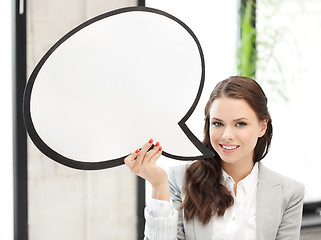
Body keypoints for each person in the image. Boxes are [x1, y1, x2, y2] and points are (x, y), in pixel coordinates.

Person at [124, 76, 304, 240]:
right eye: (217, 123)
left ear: (262, 127)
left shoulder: (288, 194)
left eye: (240, 124)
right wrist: (158, 185)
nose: (226, 135)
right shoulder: (178, 180)